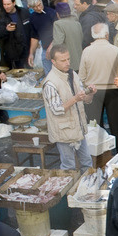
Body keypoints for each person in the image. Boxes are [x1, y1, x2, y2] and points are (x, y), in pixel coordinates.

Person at [42, 41, 96, 169]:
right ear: (53, 62)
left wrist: (91, 93)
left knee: (87, 162)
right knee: (68, 166)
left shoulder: (73, 74)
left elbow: (86, 100)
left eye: (68, 59)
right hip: (64, 132)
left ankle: (86, 188)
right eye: (63, 60)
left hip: (78, 128)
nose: (67, 63)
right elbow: (57, 109)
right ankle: (69, 188)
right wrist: (75, 99)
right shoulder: (50, 83)